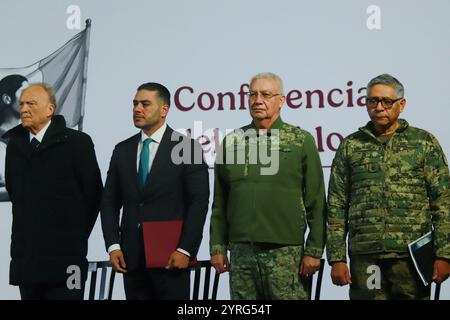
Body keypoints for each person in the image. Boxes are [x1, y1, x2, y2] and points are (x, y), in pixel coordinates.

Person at [327, 73, 450, 299]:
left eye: (387, 101)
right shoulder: (351, 145)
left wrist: (444, 255)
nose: (379, 107)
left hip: (410, 257)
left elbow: (443, 202)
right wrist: (337, 258)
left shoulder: (423, 143)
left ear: (401, 105)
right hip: (365, 256)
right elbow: (336, 205)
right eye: (372, 101)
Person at [210, 72, 327, 300]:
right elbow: (220, 201)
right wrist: (217, 247)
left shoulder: (300, 140)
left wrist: (313, 251)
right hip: (242, 252)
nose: (257, 100)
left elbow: (316, 200)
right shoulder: (232, 141)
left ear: (281, 100)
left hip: (286, 253)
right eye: (252, 94)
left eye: (266, 94)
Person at [101, 82, 209, 300]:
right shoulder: (122, 150)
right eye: (135, 104)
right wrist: (113, 245)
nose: (137, 109)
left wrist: (185, 250)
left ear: (164, 110)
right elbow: (109, 202)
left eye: (145, 104)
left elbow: (198, 203)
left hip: (171, 257)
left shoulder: (187, 148)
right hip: (130, 259)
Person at [3, 83, 102, 300]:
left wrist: (71, 233)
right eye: (22, 104)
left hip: (68, 261)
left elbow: (94, 195)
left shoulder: (78, 143)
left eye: (31, 104)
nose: (24, 109)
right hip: (26, 262)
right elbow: (15, 193)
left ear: (50, 109)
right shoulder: (14, 146)